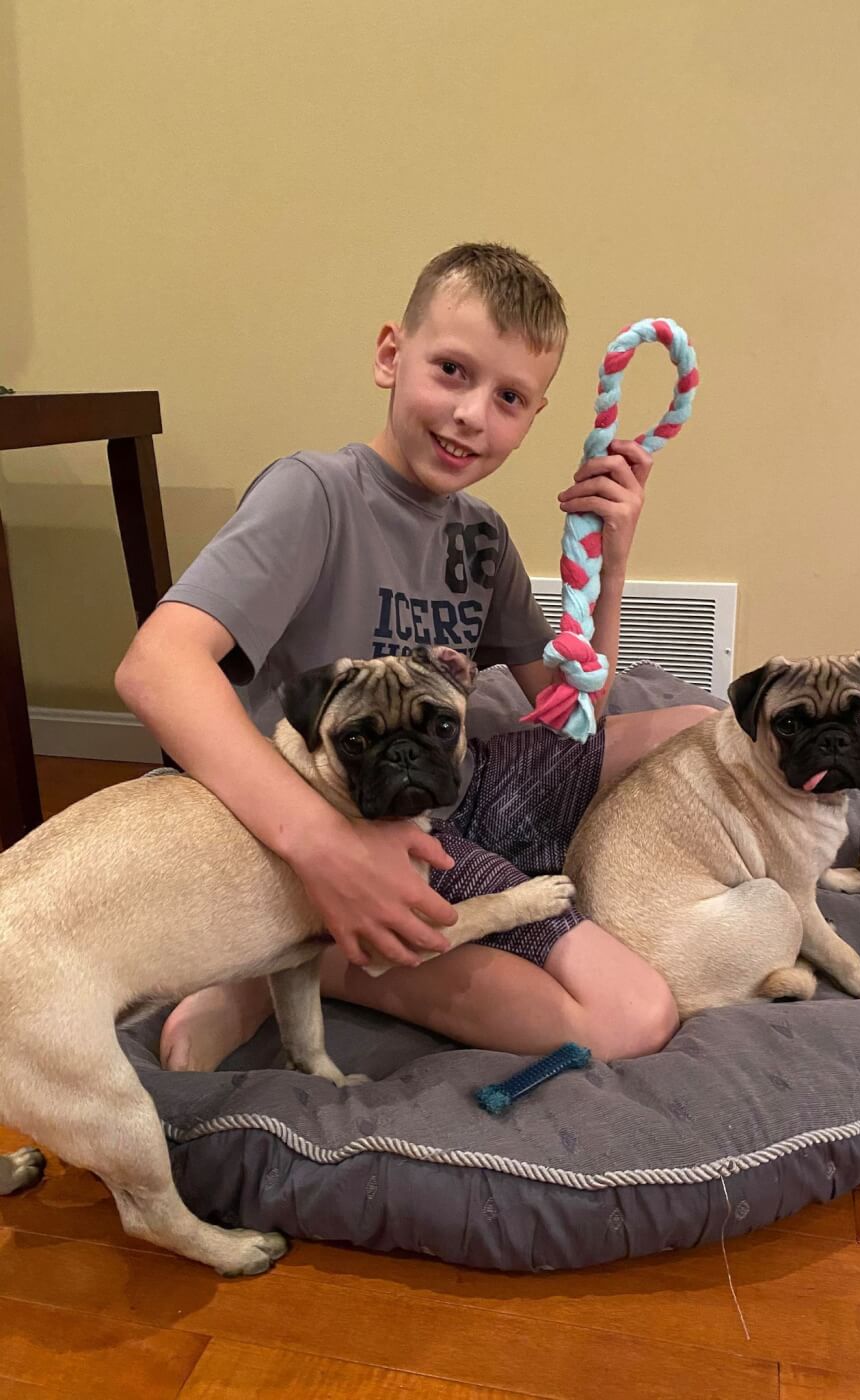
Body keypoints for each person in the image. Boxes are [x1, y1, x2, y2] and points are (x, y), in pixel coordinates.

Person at [115, 243, 714, 1071]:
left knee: (699, 723)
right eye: (452, 372)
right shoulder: (314, 494)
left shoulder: (481, 536)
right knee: (630, 1016)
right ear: (392, 356)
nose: (473, 414)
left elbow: (577, 714)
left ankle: (326, 941)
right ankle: (314, 953)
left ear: (534, 416)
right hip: (320, 824)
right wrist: (326, 848)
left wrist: (611, 564)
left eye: (508, 396)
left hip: (442, 805)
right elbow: (155, 667)